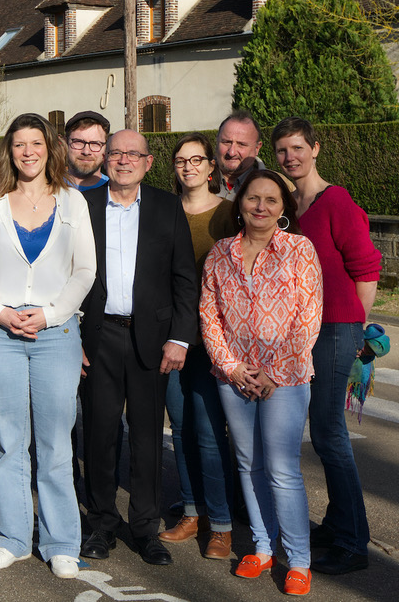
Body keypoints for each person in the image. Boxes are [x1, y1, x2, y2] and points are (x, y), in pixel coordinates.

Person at [0, 113, 96, 579]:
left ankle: (61, 543)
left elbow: (85, 270)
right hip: (0, 335)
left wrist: (51, 314)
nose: (27, 152)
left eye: (35, 143)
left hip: (55, 335)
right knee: (9, 442)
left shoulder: (73, 201)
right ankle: (12, 539)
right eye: (19, 144)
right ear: (9, 151)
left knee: (56, 444)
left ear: (49, 147)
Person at [200, 170, 323, 596]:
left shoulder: (299, 250)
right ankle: (263, 547)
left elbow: (308, 316)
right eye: (253, 198)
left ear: (283, 207)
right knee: (248, 464)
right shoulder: (220, 253)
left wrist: (273, 369)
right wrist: (231, 367)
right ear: (240, 203)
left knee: (282, 469)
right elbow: (209, 315)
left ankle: (299, 560)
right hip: (233, 376)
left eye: (271, 200)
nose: (261, 207)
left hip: (285, 378)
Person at [79, 129, 197, 567]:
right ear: (105, 160)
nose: (124, 160)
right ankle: (102, 523)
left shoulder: (167, 207)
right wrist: (72, 339)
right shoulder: (83, 205)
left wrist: (180, 337)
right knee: (100, 434)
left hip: (153, 338)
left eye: (133, 154)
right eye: (116, 153)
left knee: (147, 438)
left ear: (148, 162)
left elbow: (184, 277)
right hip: (99, 336)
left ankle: (145, 529)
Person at [273, 116, 381, 576]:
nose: (290, 157)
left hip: (337, 328)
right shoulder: (292, 207)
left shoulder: (335, 200)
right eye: (282, 150)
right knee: (321, 433)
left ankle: (354, 542)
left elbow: (366, 267)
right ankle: (338, 523)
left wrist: (356, 326)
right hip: (305, 331)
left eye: (298, 148)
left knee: (329, 433)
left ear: (315, 149)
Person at [159, 132, 237, 559]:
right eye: (181, 160)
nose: (188, 167)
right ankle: (192, 511)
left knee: (209, 431)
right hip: (172, 338)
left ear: (211, 167)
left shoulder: (227, 214)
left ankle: (221, 524)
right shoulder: (164, 211)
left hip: (211, 340)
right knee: (181, 426)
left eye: (196, 160)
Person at [65, 110, 111, 192]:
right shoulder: (49, 189)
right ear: (66, 143)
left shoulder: (113, 191)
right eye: (78, 142)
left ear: (106, 147)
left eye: (95, 144)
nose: (86, 152)